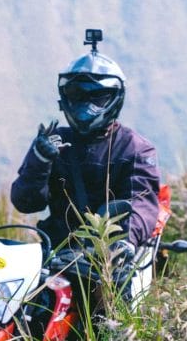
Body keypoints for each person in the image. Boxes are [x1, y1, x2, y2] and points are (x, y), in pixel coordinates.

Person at [10, 30, 161, 300]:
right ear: (64, 96)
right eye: (77, 95)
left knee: (113, 328)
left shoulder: (136, 148)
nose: (86, 105)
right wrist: (39, 160)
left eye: (97, 97)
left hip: (110, 261)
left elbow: (141, 205)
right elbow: (26, 203)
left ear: (115, 98)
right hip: (54, 256)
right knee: (16, 315)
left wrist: (124, 243)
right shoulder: (53, 142)